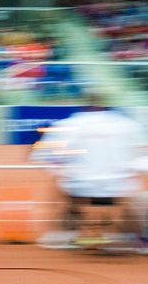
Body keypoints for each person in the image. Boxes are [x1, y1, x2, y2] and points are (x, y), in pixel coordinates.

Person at [30, 91, 146, 250]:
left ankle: (69, 232)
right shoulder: (126, 124)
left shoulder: (68, 124)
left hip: (80, 186)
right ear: (106, 105)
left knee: (57, 183)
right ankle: (136, 237)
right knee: (135, 189)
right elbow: (140, 162)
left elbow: (42, 156)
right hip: (118, 186)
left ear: (84, 105)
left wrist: (60, 170)